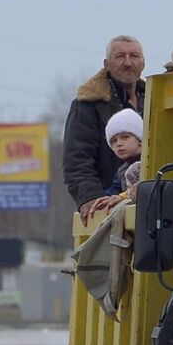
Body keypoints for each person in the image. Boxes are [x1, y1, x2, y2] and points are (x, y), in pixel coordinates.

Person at [65, 35, 146, 216]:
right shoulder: (88, 105)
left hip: (150, 203)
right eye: (120, 56)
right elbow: (77, 162)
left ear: (143, 63)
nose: (127, 62)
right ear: (106, 64)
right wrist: (92, 200)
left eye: (134, 56)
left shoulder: (154, 103)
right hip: (108, 206)